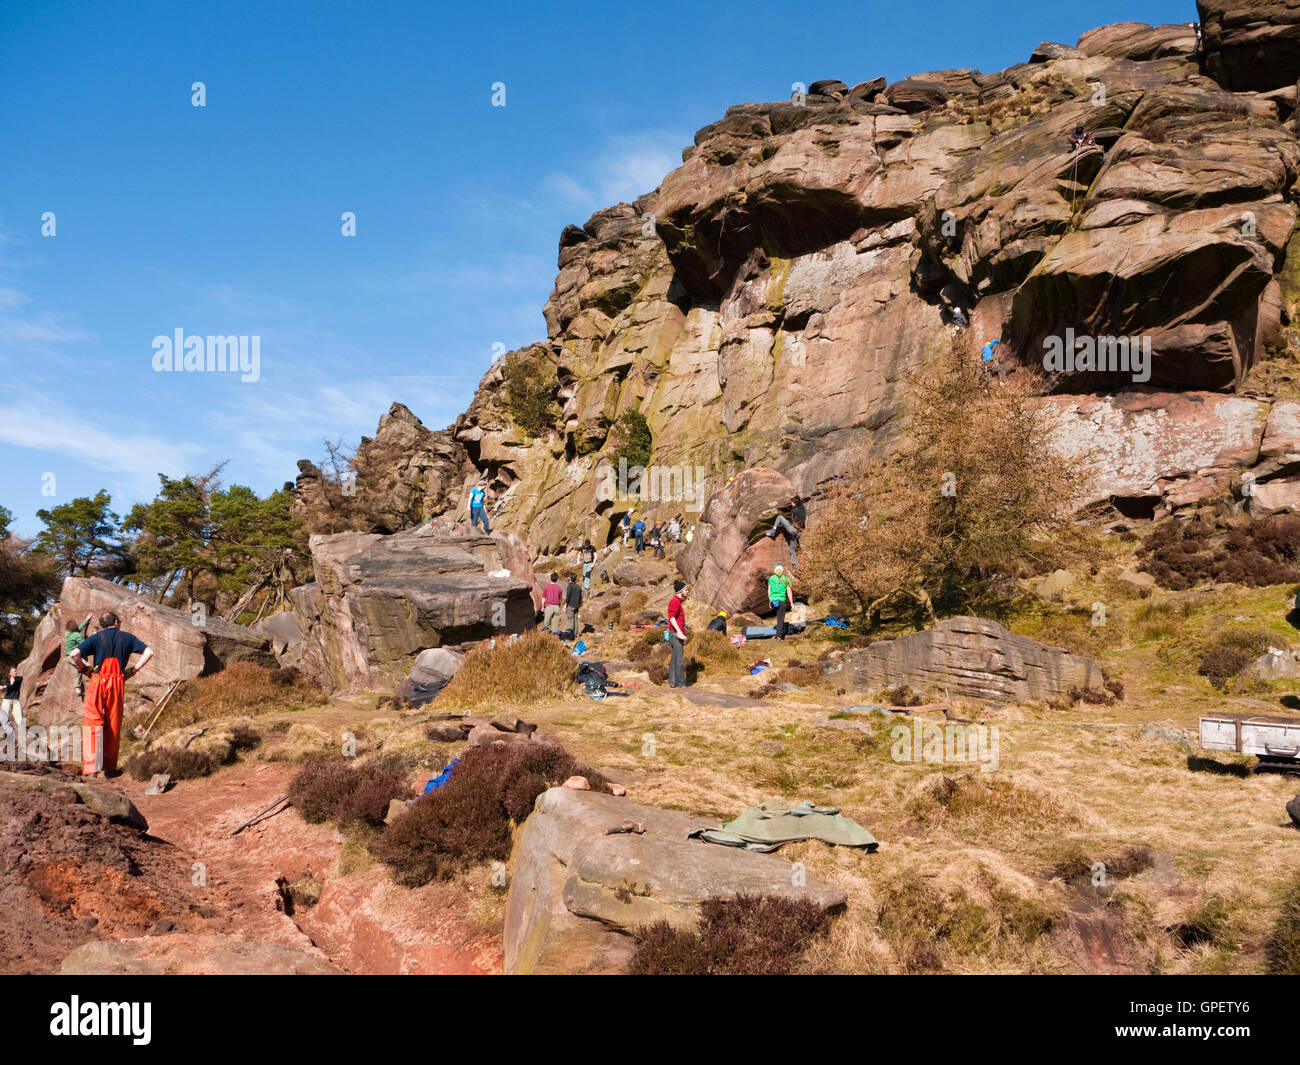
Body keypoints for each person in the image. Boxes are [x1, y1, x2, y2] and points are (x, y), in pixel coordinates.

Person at [70, 611, 154, 778]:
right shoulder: (128, 637)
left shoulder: (95, 638)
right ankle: (109, 768)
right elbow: (149, 652)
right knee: (113, 723)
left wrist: (84, 669)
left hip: (97, 680)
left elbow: (74, 654)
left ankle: (92, 769)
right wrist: (134, 670)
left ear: (103, 624)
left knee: (93, 722)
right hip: (117, 682)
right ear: (116, 622)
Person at [764, 495, 807, 569]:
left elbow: (792, 518)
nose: (791, 504)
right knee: (792, 548)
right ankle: (796, 567)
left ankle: (773, 532)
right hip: (799, 533)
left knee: (779, 517)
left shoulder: (794, 510)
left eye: (792, 503)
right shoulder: (803, 508)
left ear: (795, 503)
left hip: (793, 530)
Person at [65, 612, 94, 699]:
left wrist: (86, 620)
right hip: (75, 657)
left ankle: (78, 689)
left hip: (67, 657)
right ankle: (96, 680)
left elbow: (78, 630)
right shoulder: (77, 635)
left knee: (75, 673)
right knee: (87, 666)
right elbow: (84, 643)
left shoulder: (67, 633)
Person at [667, 581, 689, 688]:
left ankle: (672, 683)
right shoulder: (675, 601)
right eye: (686, 590)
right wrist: (679, 632)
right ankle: (681, 684)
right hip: (675, 634)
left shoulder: (678, 602)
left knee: (674, 659)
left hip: (675, 633)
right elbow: (671, 618)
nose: (687, 591)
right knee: (679, 659)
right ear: (680, 591)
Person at [768, 564, 795, 641]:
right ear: (782, 571)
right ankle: (779, 636)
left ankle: (778, 633)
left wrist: (770, 601)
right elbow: (789, 592)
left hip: (774, 602)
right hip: (781, 601)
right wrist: (791, 603)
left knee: (778, 615)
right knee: (780, 618)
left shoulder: (771, 579)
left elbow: (769, 591)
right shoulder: (786, 579)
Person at [1, 666, 22, 736]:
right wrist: (5, 686)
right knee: (4, 715)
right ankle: (4, 731)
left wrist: (9, 684)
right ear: (10, 673)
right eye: (13, 672)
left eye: (15, 671)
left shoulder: (19, 678)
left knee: (18, 716)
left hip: (16, 699)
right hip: (7, 699)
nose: (15, 672)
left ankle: (21, 731)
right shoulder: (7, 679)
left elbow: (14, 683)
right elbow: (8, 686)